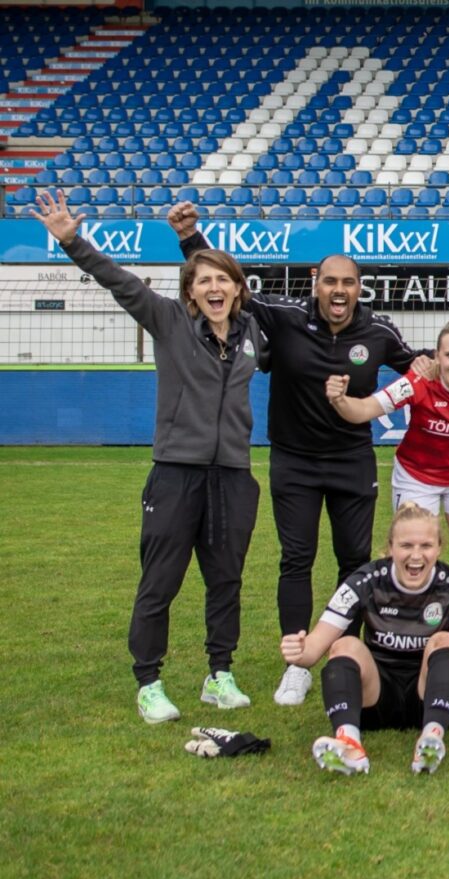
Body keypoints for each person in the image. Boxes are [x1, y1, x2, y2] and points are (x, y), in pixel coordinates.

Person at [167, 202, 425, 708]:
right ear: (316, 282)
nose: (338, 291)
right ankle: (297, 662)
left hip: (353, 460)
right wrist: (190, 238)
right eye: (330, 281)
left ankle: (349, 652)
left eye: (348, 283)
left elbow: (421, 365)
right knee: (297, 560)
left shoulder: (378, 332)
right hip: (295, 462)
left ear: (359, 287)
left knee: (354, 562)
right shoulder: (284, 316)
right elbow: (224, 285)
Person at [34, 191, 264, 722]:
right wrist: (72, 242)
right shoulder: (168, 321)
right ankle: (149, 682)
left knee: (226, 579)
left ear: (236, 288)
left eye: (221, 279)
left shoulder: (253, 333)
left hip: (232, 475)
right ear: (189, 290)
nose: (213, 287)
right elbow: (120, 281)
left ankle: (219, 674)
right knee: (160, 581)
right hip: (175, 474)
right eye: (202, 280)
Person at [280, 502, 449, 775]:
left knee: (445, 641)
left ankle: (431, 738)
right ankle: (349, 741)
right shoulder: (364, 581)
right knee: (344, 644)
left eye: (426, 546)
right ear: (391, 547)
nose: (416, 555)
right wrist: (298, 650)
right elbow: (313, 649)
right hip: (377, 698)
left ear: (439, 548)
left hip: (435, 694)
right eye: (406, 546)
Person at [325, 315, 449, 594]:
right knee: (413, 558)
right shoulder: (418, 381)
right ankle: (409, 628)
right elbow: (362, 410)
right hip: (416, 477)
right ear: (436, 356)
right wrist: (339, 399)